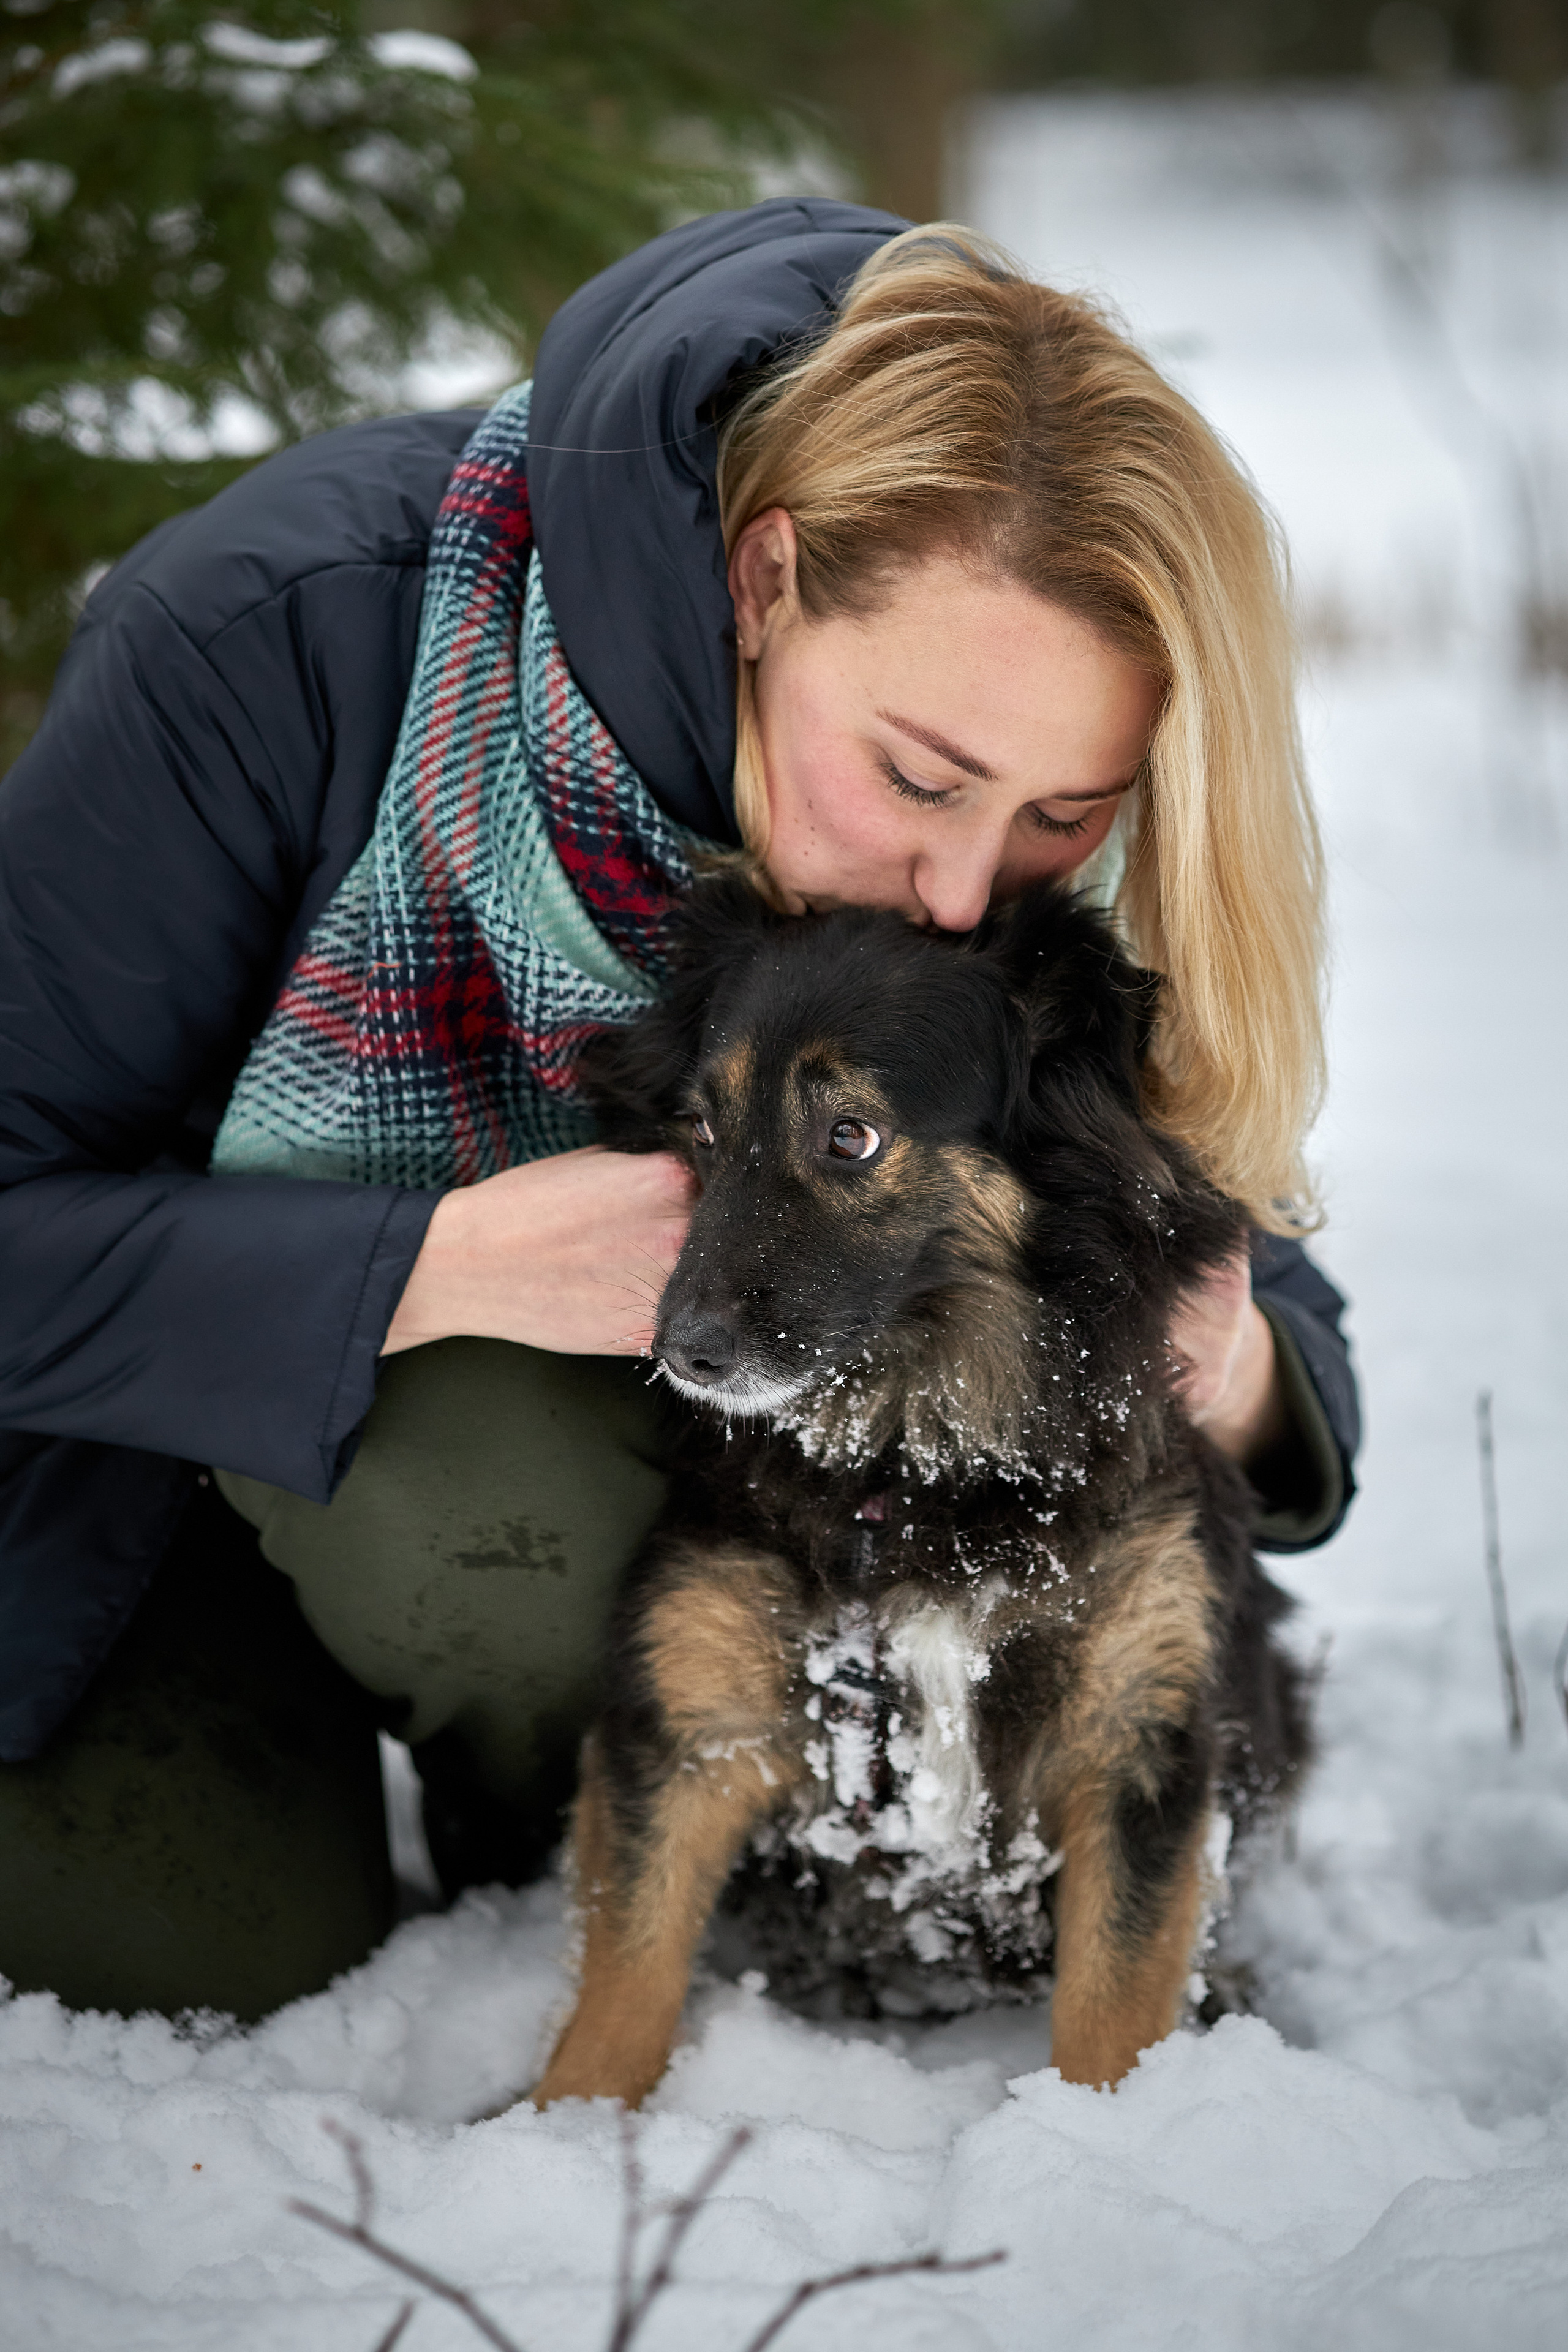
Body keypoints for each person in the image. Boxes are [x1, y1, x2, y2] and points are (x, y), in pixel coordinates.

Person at [0, 200, 1359, 2022]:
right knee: (184, 1959)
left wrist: (1243, 1361)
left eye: (1062, 816)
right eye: (918, 778)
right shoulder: (280, 633)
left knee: (518, 1517)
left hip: (593, 1505)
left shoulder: (1017, 825)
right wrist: (429, 1261)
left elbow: (1220, 1251)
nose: (964, 895)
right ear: (766, 579)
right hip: (117, 1463)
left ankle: (550, 1814)